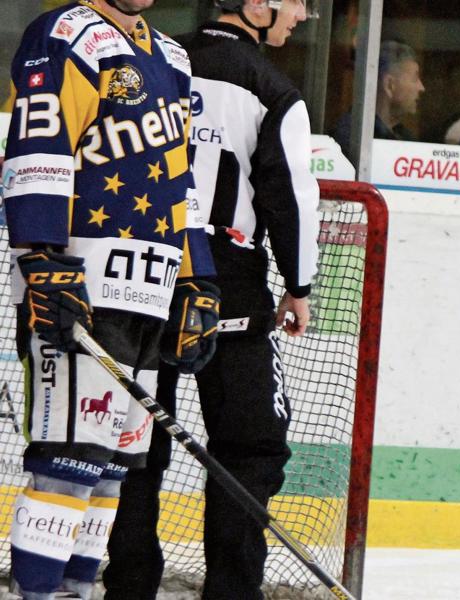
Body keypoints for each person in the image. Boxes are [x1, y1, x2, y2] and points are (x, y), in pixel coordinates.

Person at [101, 1, 320, 598]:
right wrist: (299, 286)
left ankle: (128, 585)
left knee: (135, 442)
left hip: (138, 272)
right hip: (227, 276)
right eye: (295, 1)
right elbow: (290, 196)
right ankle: (232, 591)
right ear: (255, 5)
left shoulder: (150, 59)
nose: (302, 14)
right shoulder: (271, 87)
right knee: (250, 447)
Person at [2, 0, 219, 597]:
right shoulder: (66, 32)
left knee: (109, 473)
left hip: (151, 285)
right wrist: (42, 257)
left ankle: (72, 591)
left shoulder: (170, 56)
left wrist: (197, 278)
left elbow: (181, 178)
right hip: (82, 281)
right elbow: (40, 139)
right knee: (67, 462)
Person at [331, 39, 425, 150]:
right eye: (414, 78)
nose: (421, 88)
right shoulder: (352, 136)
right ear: (389, 85)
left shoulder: (405, 138)